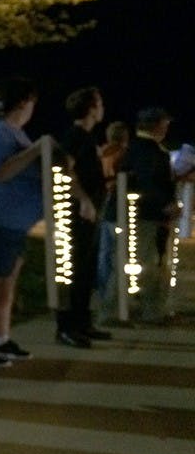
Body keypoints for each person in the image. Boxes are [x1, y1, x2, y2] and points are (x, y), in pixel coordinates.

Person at [0, 78, 92, 366]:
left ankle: (0, 339)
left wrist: (81, 196)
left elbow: (47, 173)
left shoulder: (17, 135)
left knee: (6, 284)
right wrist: (35, 150)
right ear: (24, 102)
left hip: (12, 224)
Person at [53, 87, 111, 348]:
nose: (102, 108)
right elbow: (64, 169)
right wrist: (83, 199)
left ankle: (82, 321)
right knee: (73, 268)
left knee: (86, 268)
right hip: (77, 213)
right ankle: (66, 326)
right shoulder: (75, 136)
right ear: (90, 108)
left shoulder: (88, 137)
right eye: (99, 103)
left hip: (90, 213)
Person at [121, 107, 190, 323]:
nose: (167, 128)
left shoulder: (139, 147)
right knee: (150, 263)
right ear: (156, 125)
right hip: (149, 215)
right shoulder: (148, 149)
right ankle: (151, 310)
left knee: (152, 262)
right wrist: (167, 203)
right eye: (165, 124)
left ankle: (149, 308)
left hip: (148, 214)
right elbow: (149, 180)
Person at [95, 120, 130, 323]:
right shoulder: (122, 155)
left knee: (104, 255)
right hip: (118, 208)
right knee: (119, 256)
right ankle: (112, 302)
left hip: (103, 208)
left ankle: (102, 296)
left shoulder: (101, 152)